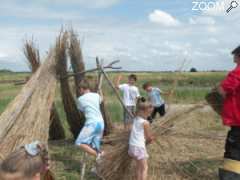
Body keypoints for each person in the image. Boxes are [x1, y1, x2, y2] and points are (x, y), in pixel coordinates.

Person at [217, 46, 240, 180]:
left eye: (235, 55)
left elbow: (223, 90)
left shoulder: (237, 73)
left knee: (234, 153)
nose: (233, 57)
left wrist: (219, 87)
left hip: (238, 123)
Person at [75, 79, 105, 159]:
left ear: (81, 88)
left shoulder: (80, 99)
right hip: (101, 123)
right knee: (96, 146)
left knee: (79, 142)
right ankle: (99, 165)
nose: (79, 91)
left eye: (79, 89)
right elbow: (102, 98)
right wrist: (100, 90)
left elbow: (81, 110)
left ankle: (98, 155)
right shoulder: (96, 95)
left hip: (91, 124)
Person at [128, 97, 155, 180]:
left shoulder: (135, 119)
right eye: (149, 113)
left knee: (139, 167)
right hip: (139, 148)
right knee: (144, 168)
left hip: (132, 147)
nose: (149, 115)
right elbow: (148, 137)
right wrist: (152, 138)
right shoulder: (145, 123)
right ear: (143, 111)